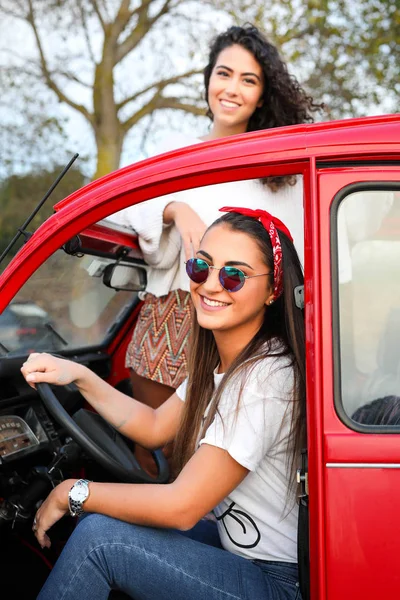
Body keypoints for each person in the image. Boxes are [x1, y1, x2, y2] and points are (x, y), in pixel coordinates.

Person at [21, 207, 305, 600]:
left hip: (278, 581)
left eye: (233, 275)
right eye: (200, 268)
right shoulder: (226, 362)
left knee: (99, 540)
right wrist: (80, 375)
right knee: (104, 519)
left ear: (273, 290)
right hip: (240, 552)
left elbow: (182, 506)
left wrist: (72, 491)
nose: (210, 286)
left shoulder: (263, 378)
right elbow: (154, 426)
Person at [106, 23, 320, 474]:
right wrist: (174, 209)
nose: (232, 89)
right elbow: (108, 210)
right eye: (224, 74)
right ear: (208, 79)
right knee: (156, 461)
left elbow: (304, 255)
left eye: (249, 80)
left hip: (243, 327)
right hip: (169, 323)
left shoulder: (278, 166)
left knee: (215, 467)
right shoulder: (174, 154)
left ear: (262, 95)